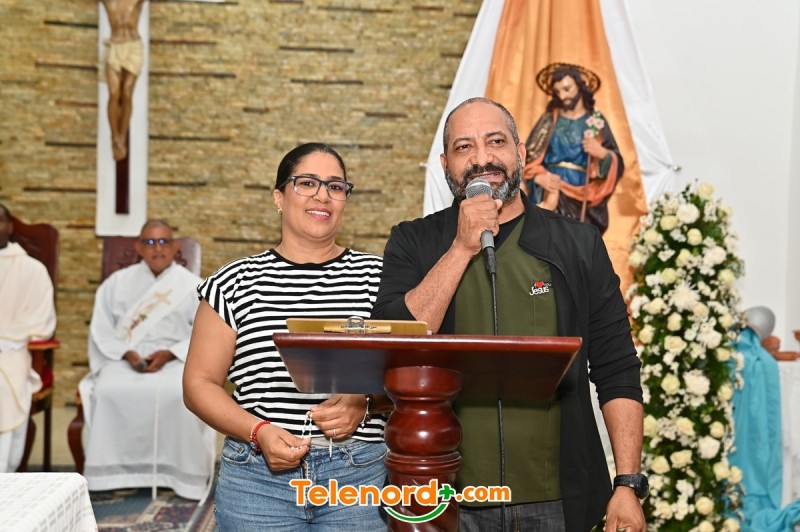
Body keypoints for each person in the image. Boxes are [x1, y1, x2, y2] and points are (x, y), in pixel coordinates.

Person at [371, 98, 646, 531]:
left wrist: (627, 483)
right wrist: (461, 248)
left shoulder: (578, 245)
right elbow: (395, 344)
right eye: (464, 147)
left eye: (495, 142)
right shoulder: (413, 241)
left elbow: (617, 368)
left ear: (520, 153)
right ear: (445, 165)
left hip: (558, 501)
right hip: (445, 499)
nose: (481, 158)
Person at [184, 142, 390, 530]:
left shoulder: (381, 279)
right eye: (307, 183)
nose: (322, 196)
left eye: (335, 186)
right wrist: (258, 431)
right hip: (256, 479)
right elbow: (199, 384)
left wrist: (365, 403)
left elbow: (413, 377)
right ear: (279, 197)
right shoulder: (233, 282)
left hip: (357, 473)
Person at [79, 219, 215, 499]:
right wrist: (127, 353)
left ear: (175, 248)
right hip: (124, 357)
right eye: (150, 242)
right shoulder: (116, 283)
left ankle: (179, 476)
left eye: (164, 241)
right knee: (106, 391)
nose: (157, 248)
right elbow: (101, 329)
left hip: (177, 359)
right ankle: (113, 476)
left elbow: (205, 334)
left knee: (181, 393)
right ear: (138, 247)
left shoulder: (193, 286)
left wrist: (170, 353)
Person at [523, 62, 624, 234]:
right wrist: (537, 178)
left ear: (580, 86)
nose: (562, 96)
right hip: (551, 189)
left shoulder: (595, 121)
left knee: (578, 241)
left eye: (567, 89)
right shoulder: (549, 120)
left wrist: (602, 153)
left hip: (583, 195)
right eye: (558, 91)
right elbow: (527, 158)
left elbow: (617, 163)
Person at [0, 204, 56, 472]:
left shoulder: (32, 270)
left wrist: (5, 338)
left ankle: (3, 472)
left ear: (9, 226)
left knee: (4, 386)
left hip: (14, 350)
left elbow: (41, 320)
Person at [101, 0, 146, 161]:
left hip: (133, 47)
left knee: (127, 93)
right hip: (114, 46)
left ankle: (122, 136)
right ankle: (115, 138)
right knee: (114, 93)